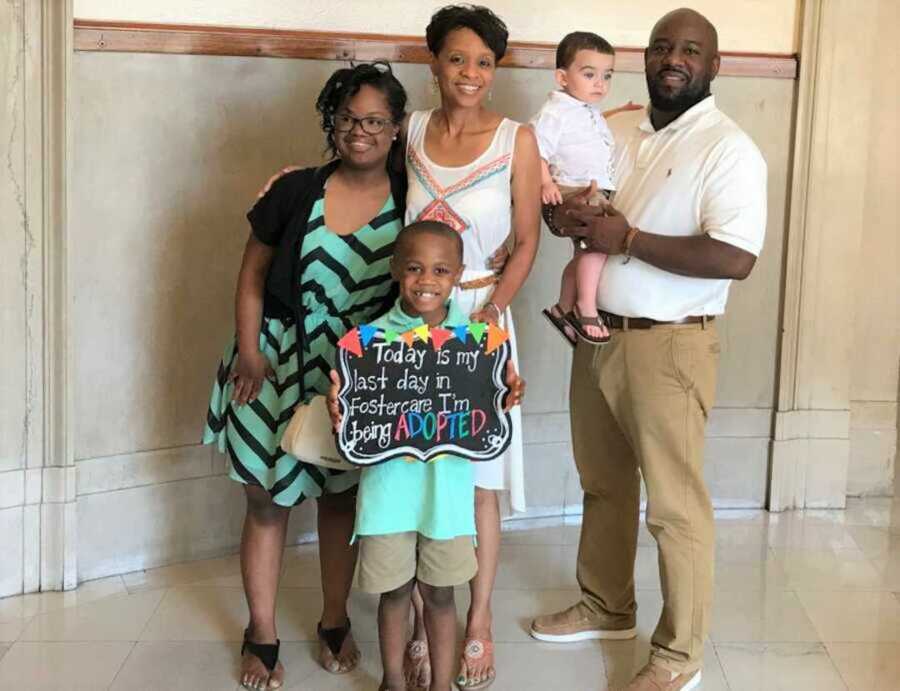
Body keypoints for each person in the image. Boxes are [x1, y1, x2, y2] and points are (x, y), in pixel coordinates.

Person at [530, 9, 767, 691]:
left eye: (691, 50)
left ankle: (678, 654)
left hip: (669, 347)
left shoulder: (729, 148)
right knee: (603, 485)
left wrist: (627, 240)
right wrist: (562, 215)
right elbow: (582, 203)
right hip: (598, 332)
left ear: (714, 65)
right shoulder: (616, 129)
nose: (673, 58)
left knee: (674, 505)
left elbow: (735, 256)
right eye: (662, 45)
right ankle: (607, 604)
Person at [201, 62, 409, 690]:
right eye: (348, 119)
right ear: (332, 122)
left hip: (353, 374)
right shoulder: (294, 192)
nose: (360, 131)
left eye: (375, 121)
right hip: (274, 360)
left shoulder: (412, 196)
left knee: (340, 497)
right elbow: (252, 275)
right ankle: (260, 633)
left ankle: (333, 618)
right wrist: (248, 351)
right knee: (265, 500)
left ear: (397, 129)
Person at [402, 5, 542, 689]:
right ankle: (429, 621)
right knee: (421, 468)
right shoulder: (409, 132)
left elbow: (527, 240)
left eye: (484, 62)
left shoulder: (516, 139)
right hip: (412, 323)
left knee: (480, 481)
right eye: (458, 59)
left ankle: (478, 619)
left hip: (481, 318)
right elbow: (363, 184)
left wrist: (491, 314)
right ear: (435, 63)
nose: (470, 74)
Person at [326, 221, 526, 691]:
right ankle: (393, 681)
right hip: (387, 497)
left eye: (440, 270)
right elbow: (350, 405)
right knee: (393, 592)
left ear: (458, 275)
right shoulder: (364, 343)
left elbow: (494, 401)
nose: (426, 281)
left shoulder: (480, 344)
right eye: (414, 268)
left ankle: (438, 684)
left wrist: (507, 392)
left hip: (448, 499)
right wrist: (340, 406)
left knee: (441, 593)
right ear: (396, 270)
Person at [531, 31, 618, 346]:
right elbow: (535, 147)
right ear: (562, 77)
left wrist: (618, 114)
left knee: (585, 253)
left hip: (593, 191)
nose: (600, 83)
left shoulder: (586, 110)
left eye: (607, 76)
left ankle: (563, 307)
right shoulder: (556, 110)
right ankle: (585, 307)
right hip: (571, 190)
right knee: (597, 246)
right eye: (589, 74)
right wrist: (545, 181)